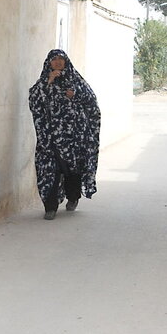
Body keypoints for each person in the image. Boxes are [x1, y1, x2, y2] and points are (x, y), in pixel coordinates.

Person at [28, 48, 100, 220]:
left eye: (61, 59)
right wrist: (49, 82)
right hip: (50, 137)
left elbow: (91, 101)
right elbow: (34, 101)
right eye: (54, 59)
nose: (58, 62)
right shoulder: (43, 82)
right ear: (49, 63)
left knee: (71, 169)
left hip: (74, 136)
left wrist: (75, 95)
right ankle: (50, 207)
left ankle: (73, 197)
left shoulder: (76, 81)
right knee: (49, 169)